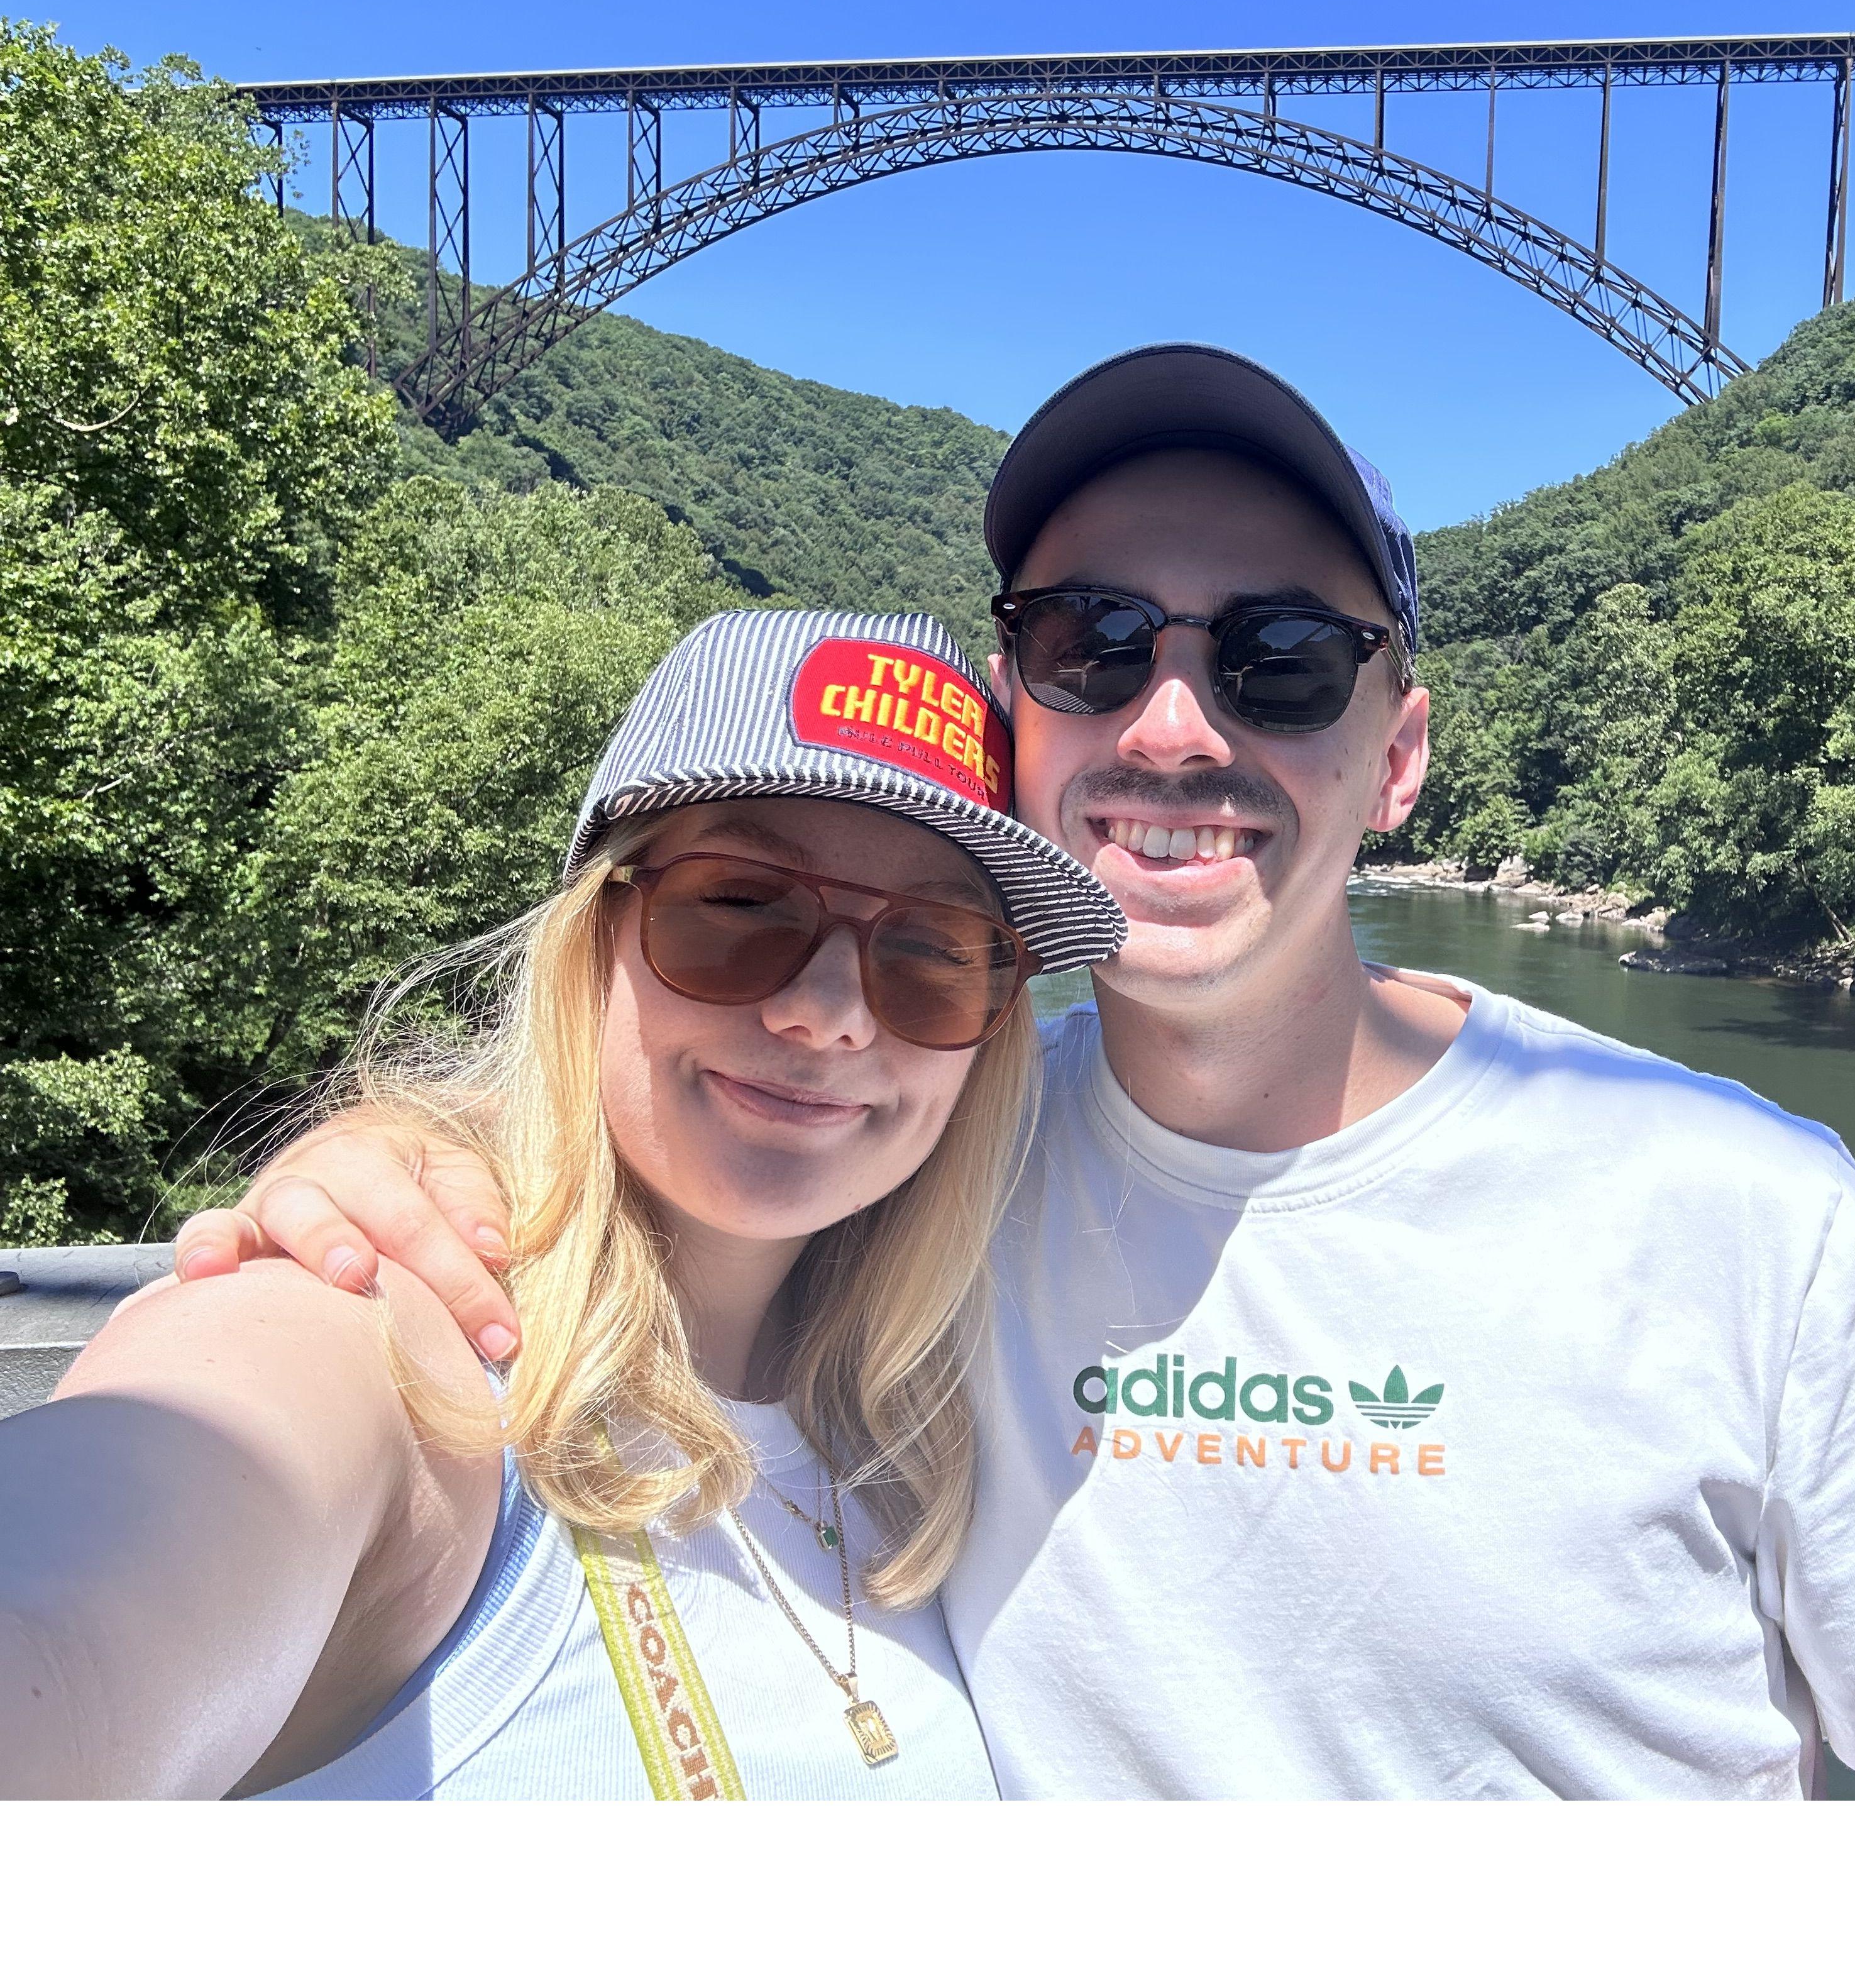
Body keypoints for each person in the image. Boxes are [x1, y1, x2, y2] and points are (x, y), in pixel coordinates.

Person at [170, 345, 1855, 1799]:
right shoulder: (918, 1156)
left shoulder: (1746, 1212)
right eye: (1093, 640)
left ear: (1400, 754)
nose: (1175, 723)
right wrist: (402, 1167)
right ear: (1014, 723)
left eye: (1282, 659)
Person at [0, 607, 1124, 1797]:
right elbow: (77, 1628)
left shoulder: (914, 1434)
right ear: (593, 936)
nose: (831, 1012)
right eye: (743, 905)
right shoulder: (383, 1348)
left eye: (935, 949)